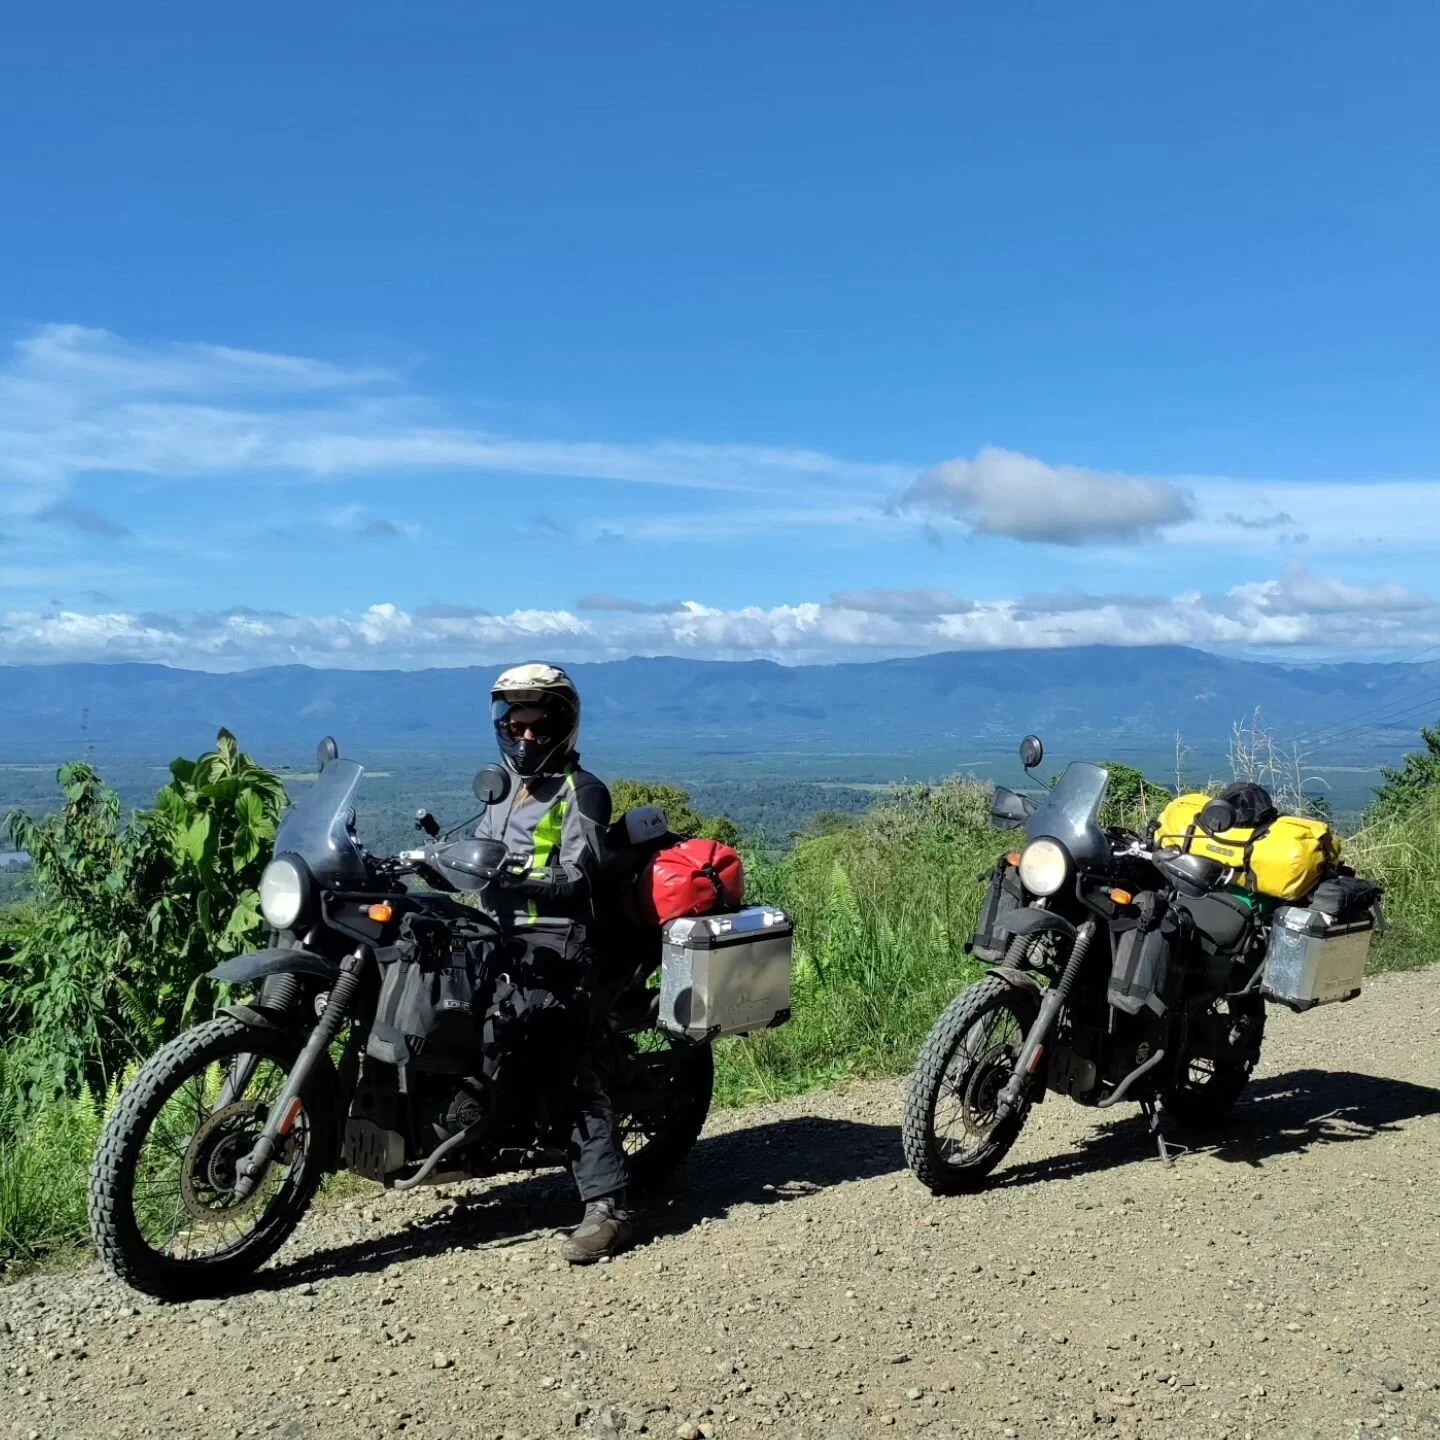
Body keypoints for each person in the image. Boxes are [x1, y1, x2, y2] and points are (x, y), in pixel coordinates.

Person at [474, 661, 632, 1264]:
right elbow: (477, 849)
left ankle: (607, 1205)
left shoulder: (581, 790)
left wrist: (517, 878)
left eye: (539, 727)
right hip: (499, 932)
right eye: (516, 725)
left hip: (559, 937)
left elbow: (580, 877)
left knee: (557, 1042)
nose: (526, 738)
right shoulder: (502, 784)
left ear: (563, 727)